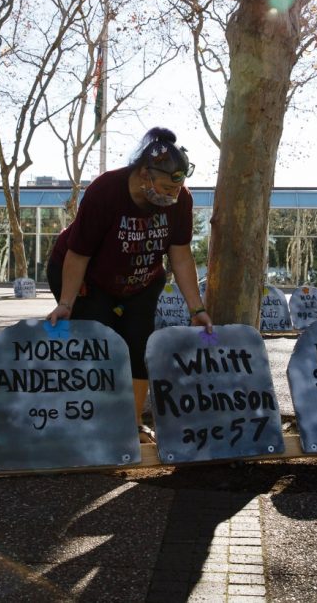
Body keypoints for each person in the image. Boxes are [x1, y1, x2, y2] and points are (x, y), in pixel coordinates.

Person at [46, 127, 213, 442]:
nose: (171, 197)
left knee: (139, 346)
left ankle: (132, 424)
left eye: (177, 189)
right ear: (143, 174)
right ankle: (92, 423)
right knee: (101, 345)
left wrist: (197, 308)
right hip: (84, 277)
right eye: (165, 188)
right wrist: (66, 303)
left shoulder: (181, 200)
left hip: (142, 279)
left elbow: (180, 255)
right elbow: (78, 253)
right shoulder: (106, 190)